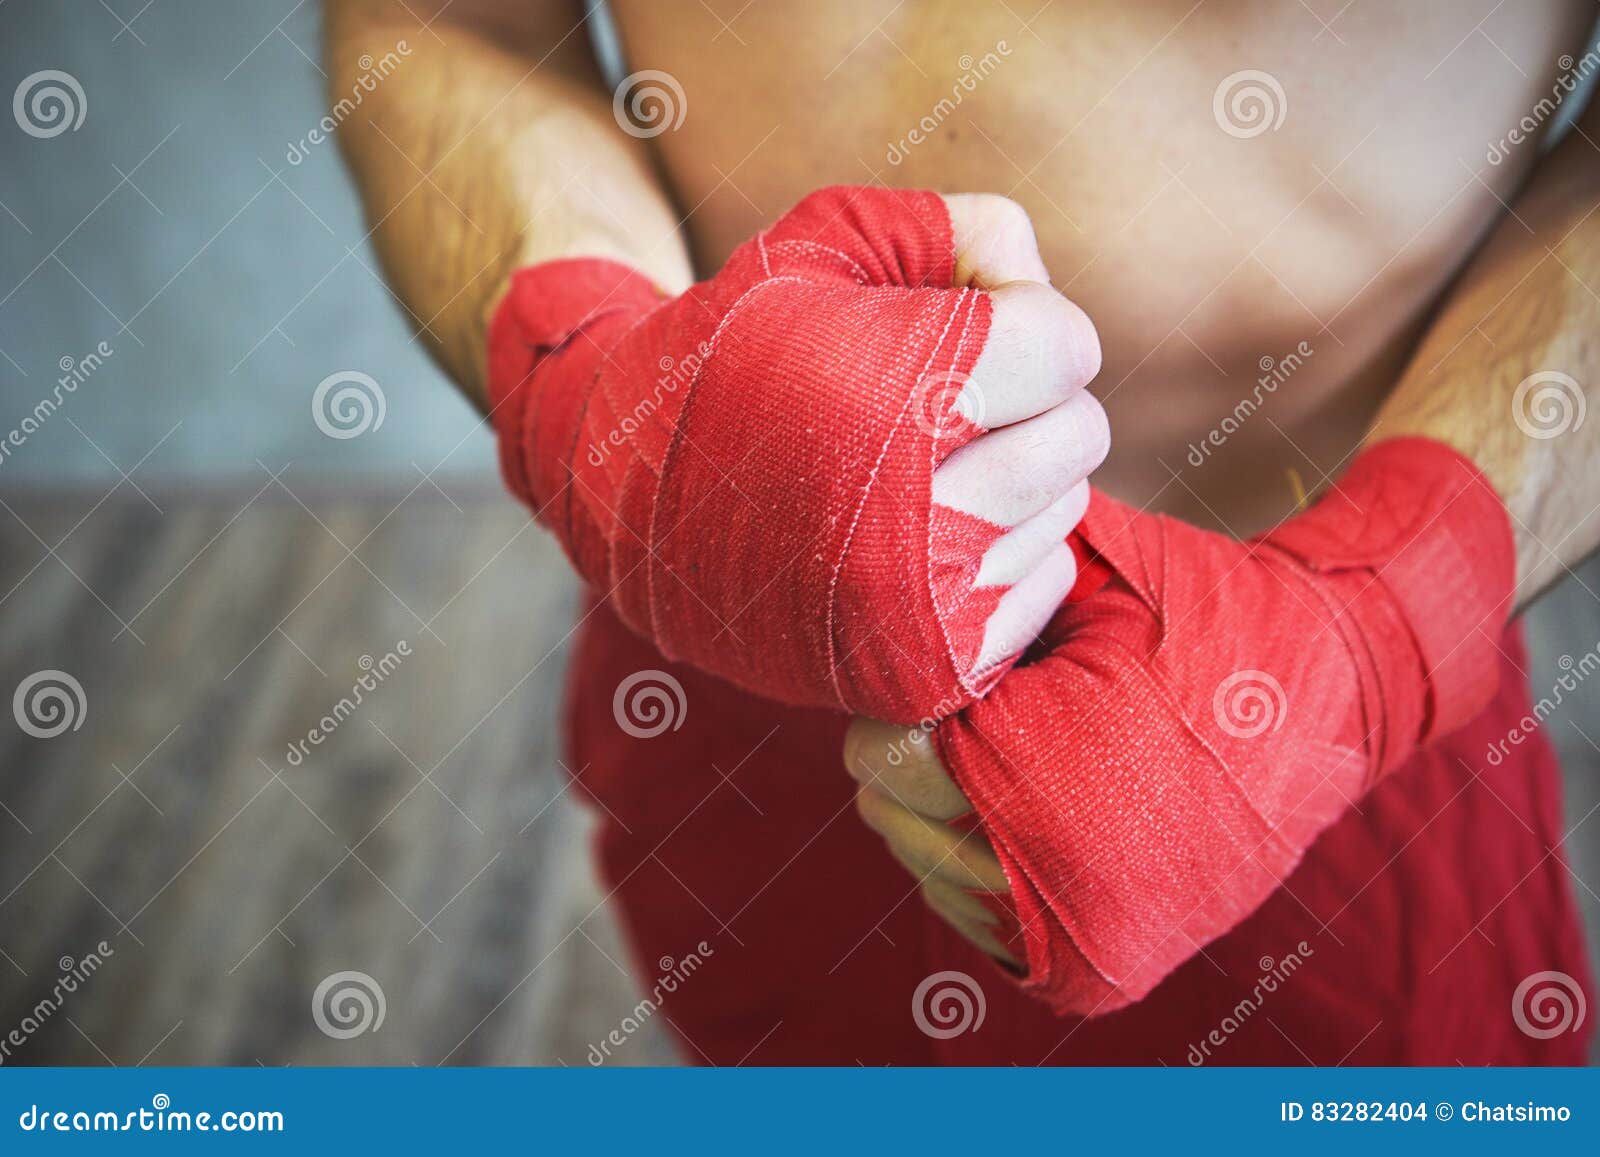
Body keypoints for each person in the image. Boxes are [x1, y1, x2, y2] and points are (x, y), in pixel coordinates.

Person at [329, 0, 1598, 1063]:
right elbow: (449, 20)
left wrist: (1369, 629)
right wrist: (592, 395)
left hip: (1290, 727)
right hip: (726, 604)